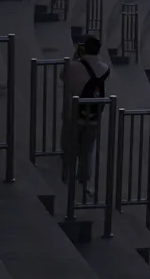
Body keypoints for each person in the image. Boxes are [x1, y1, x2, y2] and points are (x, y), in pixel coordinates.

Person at [60, 36, 110, 193]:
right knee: (87, 150)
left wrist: (76, 57)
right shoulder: (104, 68)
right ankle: (83, 180)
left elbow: (63, 77)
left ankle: (66, 176)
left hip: (75, 113)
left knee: (70, 146)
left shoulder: (73, 66)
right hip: (94, 116)